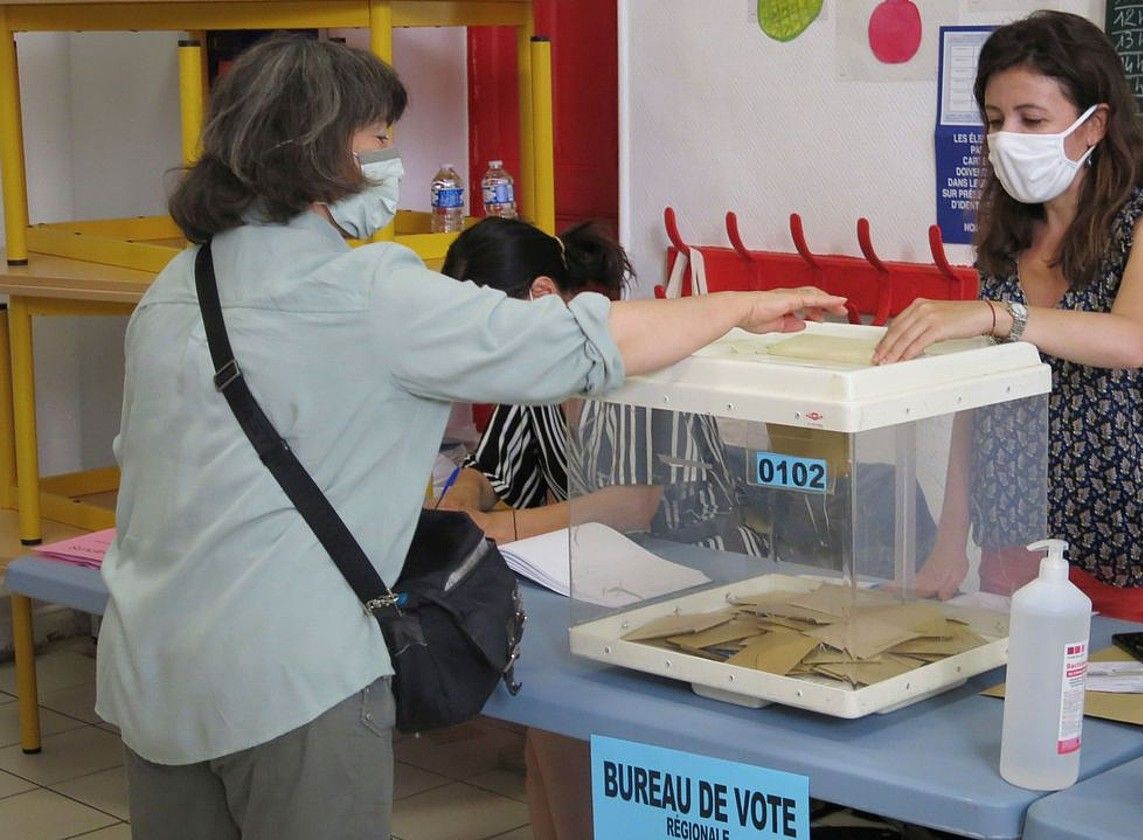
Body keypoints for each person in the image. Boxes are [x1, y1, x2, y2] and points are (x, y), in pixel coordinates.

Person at [94, 35, 844, 840]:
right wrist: (736, 306)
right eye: (381, 138)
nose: (393, 158)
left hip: (151, 669)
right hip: (290, 684)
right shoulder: (370, 295)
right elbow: (585, 343)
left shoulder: (178, 287)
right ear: (322, 153)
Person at [873, 10, 1143, 632]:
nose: (1008, 138)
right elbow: (979, 402)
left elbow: (1129, 339)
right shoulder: (1006, 240)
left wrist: (997, 315)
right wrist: (950, 545)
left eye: (1032, 120)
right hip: (1015, 551)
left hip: (1137, 561)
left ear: (1093, 127)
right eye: (996, 122)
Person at [438, 216, 767, 558]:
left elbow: (632, 506)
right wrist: (460, 501)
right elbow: (490, 468)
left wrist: (498, 528)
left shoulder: (630, 349)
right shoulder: (531, 369)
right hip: (597, 564)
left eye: (488, 332)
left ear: (542, 295)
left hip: (701, 555)